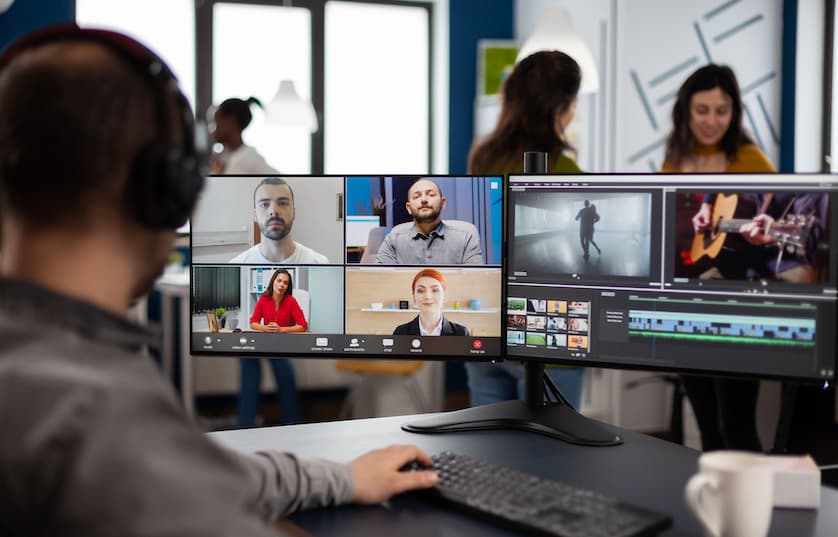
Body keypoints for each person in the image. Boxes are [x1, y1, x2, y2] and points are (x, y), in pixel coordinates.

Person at [0, 25, 437, 536]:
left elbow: (178, 472)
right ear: (170, 190)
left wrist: (339, 478)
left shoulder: (49, 376)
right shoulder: (96, 410)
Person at [661, 64, 776, 452]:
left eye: (721, 110)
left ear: (735, 112)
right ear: (685, 110)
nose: (712, 121)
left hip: (739, 312)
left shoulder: (752, 161)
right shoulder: (675, 160)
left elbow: (774, 240)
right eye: (702, 110)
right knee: (707, 429)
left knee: (739, 428)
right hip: (687, 312)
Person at [464, 50, 586, 409]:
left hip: (486, 324)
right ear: (561, 107)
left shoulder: (484, 157)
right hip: (548, 336)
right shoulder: (567, 173)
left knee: (486, 447)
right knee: (549, 456)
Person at [237, 269, 306, 427]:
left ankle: (291, 421)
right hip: (264, 338)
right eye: (279, 281)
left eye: (285, 282)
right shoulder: (264, 299)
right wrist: (266, 328)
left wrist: (281, 329)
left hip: (280, 342)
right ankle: (245, 424)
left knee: (284, 371)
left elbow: (302, 325)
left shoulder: (290, 301)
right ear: (273, 282)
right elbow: (253, 322)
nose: (281, 285)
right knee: (248, 363)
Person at [376, 178, 483, 264]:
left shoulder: (465, 238)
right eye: (416, 196)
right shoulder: (393, 240)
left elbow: (475, 281)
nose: (423, 200)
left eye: (431, 195)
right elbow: (382, 280)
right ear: (408, 208)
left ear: (442, 203)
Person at [231, 177, 328, 263]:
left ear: (294, 212)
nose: (273, 211)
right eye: (264, 204)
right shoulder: (237, 264)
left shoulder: (319, 262)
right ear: (255, 215)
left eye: (282, 203)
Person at [209, 96, 277, 174]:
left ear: (231, 122)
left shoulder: (250, 159)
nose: (212, 129)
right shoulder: (222, 158)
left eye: (216, 123)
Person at [393, 269, 470, 336]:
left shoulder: (461, 333)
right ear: (414, 296)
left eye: (435, 290)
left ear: (444, 296)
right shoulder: (400, 333)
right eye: (421, 291)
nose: (428, 296)